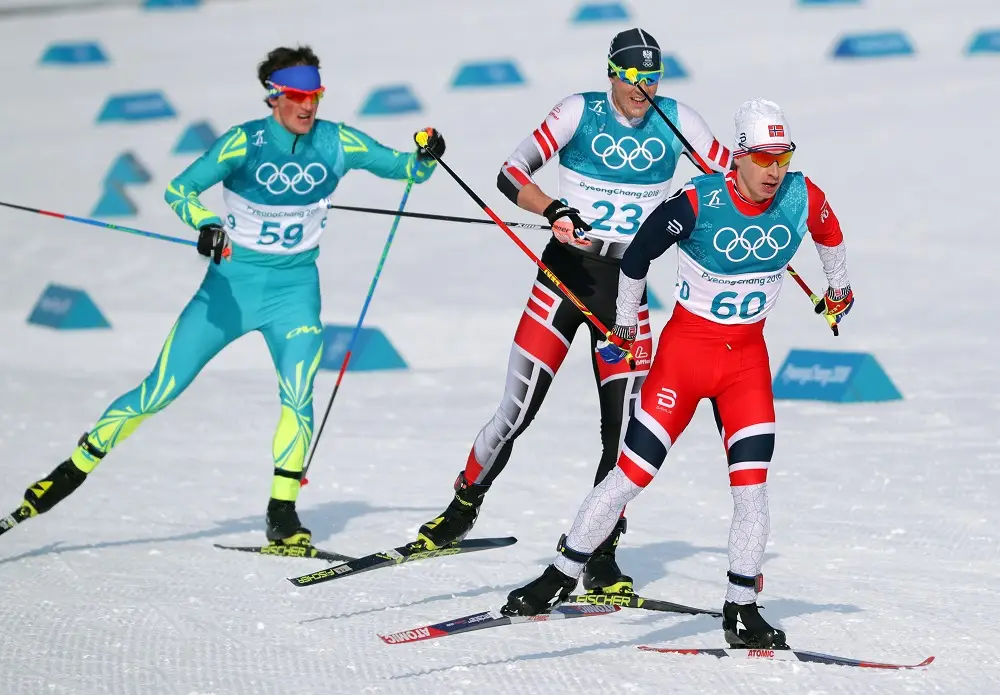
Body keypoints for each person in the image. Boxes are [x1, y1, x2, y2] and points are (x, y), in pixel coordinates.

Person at [5, 45, 445, 548]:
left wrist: (426, 155)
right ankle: (68, 472)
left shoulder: (337, 141)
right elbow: (179, 189)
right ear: (274, 97)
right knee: (160, 390)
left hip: (295, 292)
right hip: (229, 291)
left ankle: (282, 514)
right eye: (299, 97)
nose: (309, 107)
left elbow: (406, 170)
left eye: (316, 96)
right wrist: (207, 224)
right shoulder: (244, 142)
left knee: (299, 396)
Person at [498, 98, 854, 650]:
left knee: (753, 493)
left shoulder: (801, 195)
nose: (774, 171)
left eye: (782, 157)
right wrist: (626, 327)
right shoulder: (698, 201)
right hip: (684, 361)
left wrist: (838, 290)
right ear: (739, 156)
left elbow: (830, 236)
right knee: (630, 477)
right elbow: (637, 256)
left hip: (746, 367)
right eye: (762, 158)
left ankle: (741, 607)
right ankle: (560, 576)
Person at [415, 27, 732, 597]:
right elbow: (510, 173)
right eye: (632, 76)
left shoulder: (679, 118)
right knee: (516, 411)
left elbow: (731, 186)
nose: (642, 88)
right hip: (564, 277)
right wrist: (554, 206)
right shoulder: (577, 112)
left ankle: (601, 554)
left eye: (652, 77)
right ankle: (462, 506)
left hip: (626, 294)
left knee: (623, 435)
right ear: (611, 72)